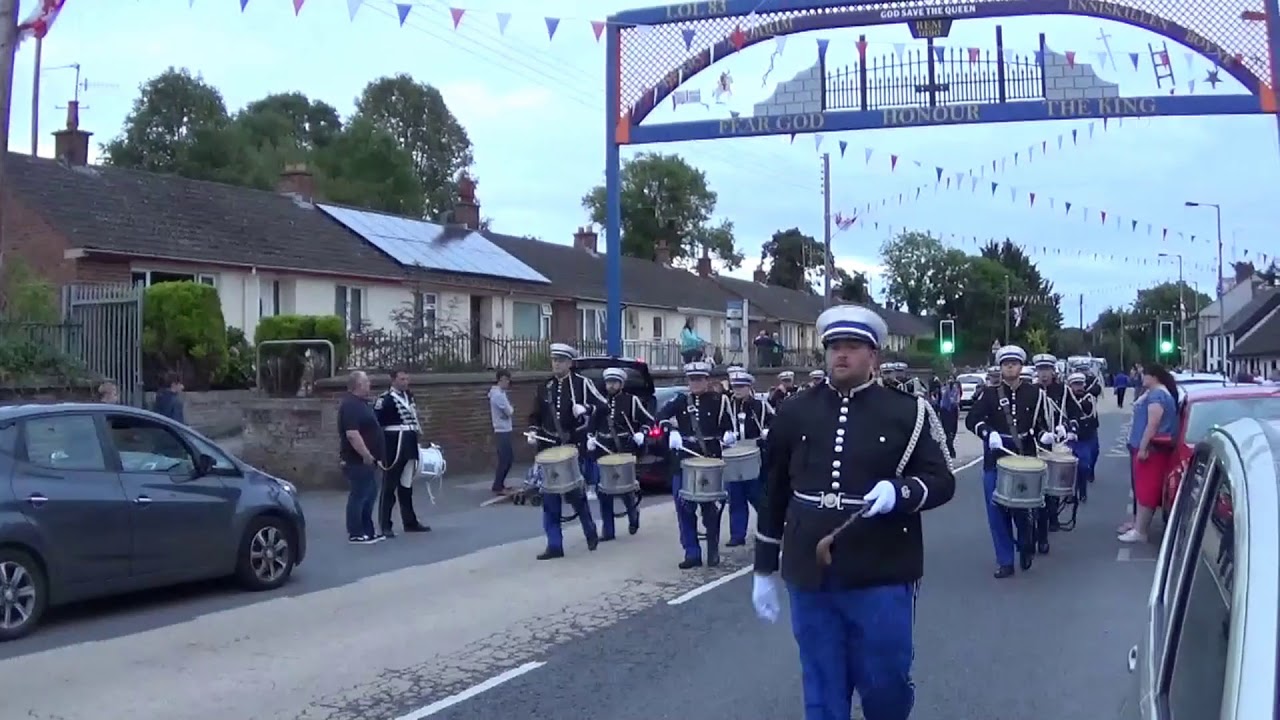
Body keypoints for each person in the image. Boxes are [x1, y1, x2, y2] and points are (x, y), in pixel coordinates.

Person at [751, 304, 955, 720]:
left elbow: (942, 480)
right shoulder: (794, 411)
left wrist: (901, 492)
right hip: (809, 571)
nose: (840, 355)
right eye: (834, 347)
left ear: (873, 356)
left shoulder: (908, 412)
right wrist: (762, 570)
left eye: (852, 346)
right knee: (822, 686)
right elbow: (772, 491)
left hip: (882, 569)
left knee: (886, 684)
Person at [965, 345, 1052, 577]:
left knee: (1022, 510)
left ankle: (1025, 544)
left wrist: (1045, 434)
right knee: (997, 513)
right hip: (995, 460)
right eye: (1005, 364)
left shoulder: (1034, 393)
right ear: (1001, 368)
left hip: (1024, 459)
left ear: (1021, 367)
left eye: (1013, 363)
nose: (1010, 367)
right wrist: (986, 432)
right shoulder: (990, 394)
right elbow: (971, 419)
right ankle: (1004, 561)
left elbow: (1042, 422)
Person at [527, 343, 604, 560]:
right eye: (554, 360)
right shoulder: (545, 387)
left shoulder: (582, 384)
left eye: (561, 360)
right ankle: (554, 545)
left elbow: (603, 405)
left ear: (570, 363)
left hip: (572, 447)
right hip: (549, 448)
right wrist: (533, 431)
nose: (556, 364)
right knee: (549, 496)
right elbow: (535, 415)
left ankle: (590, 530)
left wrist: (587, 409)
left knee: (575, 495)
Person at [657, 360, 736, 569]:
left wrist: (728, 435)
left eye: (700, 379)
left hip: (709, 460)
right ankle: (691, 552)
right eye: (692, 380)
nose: (696, 383)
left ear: (707, 380)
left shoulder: (719, 401)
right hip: (684, 462)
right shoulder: (680, 401)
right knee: (684, 509)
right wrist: (670, 430)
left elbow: (728, 425)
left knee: (711, 509)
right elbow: (660, 416)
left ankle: (712, 549)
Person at [586, 367, 649, 540]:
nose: (611, 386)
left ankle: (633, 515)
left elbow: (648, 420)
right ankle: (608, 530)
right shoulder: (600, 401)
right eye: (608, 382)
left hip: (623, 449)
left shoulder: (631, 401)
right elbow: (592, 423)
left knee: (625, 489)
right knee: (603, 490)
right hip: (603, 449)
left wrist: (641, 433)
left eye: (614, 382)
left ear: (621, 384)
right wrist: (590, 437)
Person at [1121, 364, 1179, 543]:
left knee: (1146, 490)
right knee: (1142, 488)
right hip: (1150, 448)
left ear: (1154, 377)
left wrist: (1144, 447)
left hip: (1151, 449)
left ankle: (1141, 531)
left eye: (1145, 374)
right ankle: (1138, 527)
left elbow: (1153, 423)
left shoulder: (1157, 395)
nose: (1141, 378)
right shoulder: (1156, 393)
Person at [374, 370, 430, 537]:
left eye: (407, 378)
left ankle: (410, 521)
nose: (405, 382)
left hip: (409, 444)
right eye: (401, 379)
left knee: (406, 486)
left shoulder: (409, 397)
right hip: (394, 446)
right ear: (393, 380)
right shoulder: (386, 399)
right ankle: (385, 525)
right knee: (389, 486)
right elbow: (378, 424)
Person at [726, 370, 771, 547]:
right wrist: (726, 435)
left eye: (741, 387)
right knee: (735, 496)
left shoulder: (760, 406)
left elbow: (774, 422)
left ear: (749, 387)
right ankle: (737, 535)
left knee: (757, 495)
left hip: (754, 451)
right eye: (735, 387)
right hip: (734, 451)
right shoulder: (727, 405)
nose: (737, 390)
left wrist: (767, 432)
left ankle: (768, 528)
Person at [339, 371, 384, 544]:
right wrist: (365, 454)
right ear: (357, 385)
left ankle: (368, 530)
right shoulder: (350, 405)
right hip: (356, 460)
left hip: (370, 460)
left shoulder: (362, 404)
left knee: (370, 494)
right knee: (359, 495)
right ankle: (356, 532)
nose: (369, 385)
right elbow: (352, 434)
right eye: (366, 382)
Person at [1032, 353, 1070, 539]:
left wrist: (1068, 428)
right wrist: (1040, 434)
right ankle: (1040, 530)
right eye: (1040, 369)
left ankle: (1052, 516)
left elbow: (1075, 414)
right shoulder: (1031, 391)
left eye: (1047, 369)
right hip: (1035, 446)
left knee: (1052, 487)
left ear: (1053, 371)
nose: (1044, 374)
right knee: (1038, 489)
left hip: (1057, 444)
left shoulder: (1062, 391)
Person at [1065, 372, 1099, 502]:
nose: (1078, 387)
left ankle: (1082, 489)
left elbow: (1089, 408)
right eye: (1075, 384)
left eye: (1080, 384)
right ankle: (1070, 493)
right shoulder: (1066, 398)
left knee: (1085, 464)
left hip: (1087, 435)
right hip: (1071, 437)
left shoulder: (1088, 397)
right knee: (1069, 467)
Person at [489, 369, 515, 495]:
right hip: (501, 430)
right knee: (506, 459)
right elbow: (509, 411)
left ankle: (500, 484)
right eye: (507, 380)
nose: (508, 383)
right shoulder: (498, 395)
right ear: (501, 380)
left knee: (507, 459)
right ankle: (497, 486)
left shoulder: (500, 393)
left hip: (504, 429)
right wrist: (510, 410)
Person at [937, 379, 961, 459]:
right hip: (945, 411)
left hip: (953, 411)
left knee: (953, 431)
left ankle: (948, 447)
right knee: (947, 431)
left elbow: (957, 399)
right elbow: (939, 400)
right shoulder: (943, 389)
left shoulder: (955, 389)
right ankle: (950, 449)